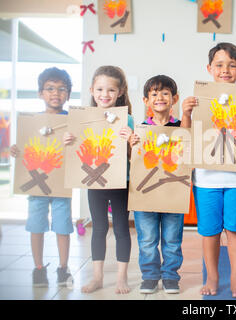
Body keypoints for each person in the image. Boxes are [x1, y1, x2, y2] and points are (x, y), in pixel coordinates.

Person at [181, 42, 236, 298]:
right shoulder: (198, 101)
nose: (225, 70)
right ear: (209, 68)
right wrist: (185, 114)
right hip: (206, 178)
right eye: (219, 65)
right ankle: (213, 277)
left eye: (232, 65)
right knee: (209, 232)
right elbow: (186, 142)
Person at [64, 65, 134, 294]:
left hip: (120, 183)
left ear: (120, 92)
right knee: (99, 227)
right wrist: (68, 139)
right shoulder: (82, 120)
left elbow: (133, 155)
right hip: (95, 183)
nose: (105, 94)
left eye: (111, 90)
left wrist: (130, 139)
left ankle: (122, 277)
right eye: (100, 89)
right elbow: (76, 150)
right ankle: (97, 277)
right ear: (92, 90)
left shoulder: (128, 119)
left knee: (122, 228)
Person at [10, 67, 74, 287]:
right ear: (40, 93)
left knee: (62, 225)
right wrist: (15, 151)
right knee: (36, 224)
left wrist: (71, 141)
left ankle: (63, 268)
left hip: (60, 184)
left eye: (61, 89)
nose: (55, 93)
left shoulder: (71, 121)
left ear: (68, 94)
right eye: (49, 88)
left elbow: (79, 149)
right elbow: (25, 147)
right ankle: (38, 268)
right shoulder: (32, 121)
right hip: (37, 185)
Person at [128, 75, 185, 294]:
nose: (159, 97)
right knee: (147, 239)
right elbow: (135, 163)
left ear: (174, 98)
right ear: (146, 100)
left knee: (172, 238)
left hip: (173, 192)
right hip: (146, 195)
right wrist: (132, 145)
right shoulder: (141, 130)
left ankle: (170, 276)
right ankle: (150, 275)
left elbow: (186, 158)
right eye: (154, 94)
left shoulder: (182, 129)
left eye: (164, 93)